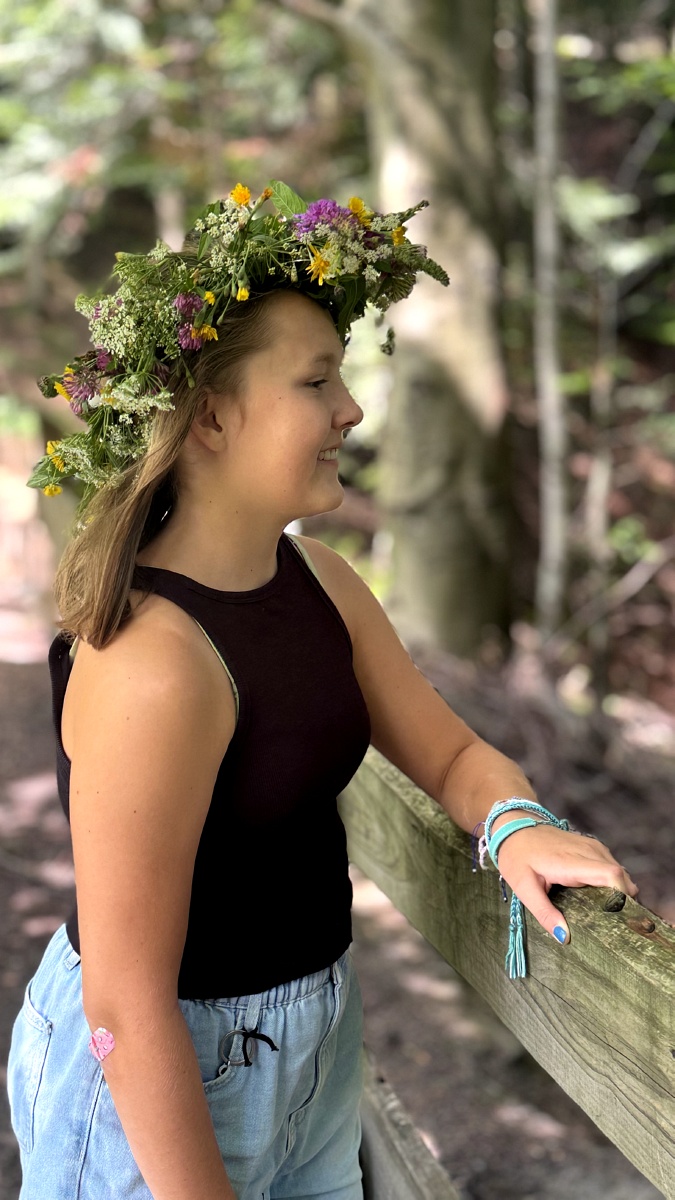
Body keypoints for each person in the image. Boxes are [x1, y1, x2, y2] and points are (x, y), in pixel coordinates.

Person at [6, 182, 638, 1200]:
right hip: (160, 1081)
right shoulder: (152, 664)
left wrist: (514, 823)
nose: (351, 408)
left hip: (315, 1040)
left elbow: (453, 755)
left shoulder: (321, 582)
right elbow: (124, 1002)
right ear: (210, 417)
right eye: (315, 381)